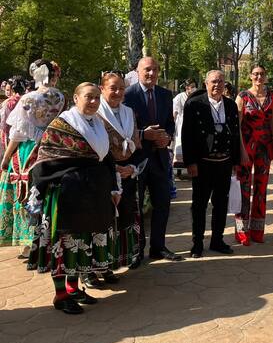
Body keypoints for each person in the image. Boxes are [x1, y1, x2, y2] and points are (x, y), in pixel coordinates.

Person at [27, 83, 117, 314]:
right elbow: (45, 159)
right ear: (76, 98)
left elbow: (106, 157)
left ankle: (73, 288)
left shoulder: (98, 124)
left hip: (92, 194)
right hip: (67, 196)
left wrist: (113, 187)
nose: (94, 101)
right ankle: (60, 296)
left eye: (97, 97)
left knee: (81, 244)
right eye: (89, 97)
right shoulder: (61, 126)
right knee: (65, 244)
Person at [0, 61, 65, 253]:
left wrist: (6, 157)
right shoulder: (61, 97)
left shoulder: (28, 98)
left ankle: (29, 242)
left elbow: (18, 133)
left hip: (28, 150)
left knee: (26, 192)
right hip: (52, 147)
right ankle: (45, 237)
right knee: (47, 192)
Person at [87, 71, 142, 287]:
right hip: (102, 175)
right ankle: (89, 270)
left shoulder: (129, 112)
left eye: (121, 88)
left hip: (126, 174)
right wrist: (113, 168)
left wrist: (131, 168)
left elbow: (136, 144)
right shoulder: (95, 113)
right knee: (100, 223)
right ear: (102, 89)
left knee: (120, 222)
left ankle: (108, 265)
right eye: (113, 88)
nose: (118, 92)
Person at [123, 57, 180, 261]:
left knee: (162, 204)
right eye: (147, 69)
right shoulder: (127, 95)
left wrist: (167, 137)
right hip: (137, 159)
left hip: (160, 158)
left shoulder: (165, 94)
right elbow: (122, 128)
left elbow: (170, 123)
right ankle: (137, 250)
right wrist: (142, 134)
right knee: (136, 207)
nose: (151, 73)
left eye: (155, 69)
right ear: (137, 71)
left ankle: (158, 247)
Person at [182, 70, 241, 258]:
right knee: (199, 205)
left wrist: (236, 160)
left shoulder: (231, 105)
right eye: (214, 81)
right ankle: (197, 243)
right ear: (206, 84)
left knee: (221, 204)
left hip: (224, 163)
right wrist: (190, 162)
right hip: (203, 164)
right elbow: (187, 134)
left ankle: (217, 240)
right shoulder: (194, 104)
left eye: (221, 81)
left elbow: (235, 134)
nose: (217, 85)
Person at [234, 65, 273, 245]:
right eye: (256, 74)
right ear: (250, 76)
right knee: (244, 189)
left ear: (265, 76)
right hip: (246, 147)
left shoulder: (272, 97)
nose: (259, 77)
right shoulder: (242, 96)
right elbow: (237, 125)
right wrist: (240, 150)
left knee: (261, 189)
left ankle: (257, 230)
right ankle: (241, 231)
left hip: (264, 148)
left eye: (262, 74)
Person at [172, 78, 197, 168]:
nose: (193, 88)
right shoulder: (179, 97)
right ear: (187, 87)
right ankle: (179, 162)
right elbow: (175, 112)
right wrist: (173, 125)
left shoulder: (196, 97)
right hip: (181, 122)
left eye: (194, 86)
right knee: (180, 140)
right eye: (191, 86)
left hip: (193, 121)